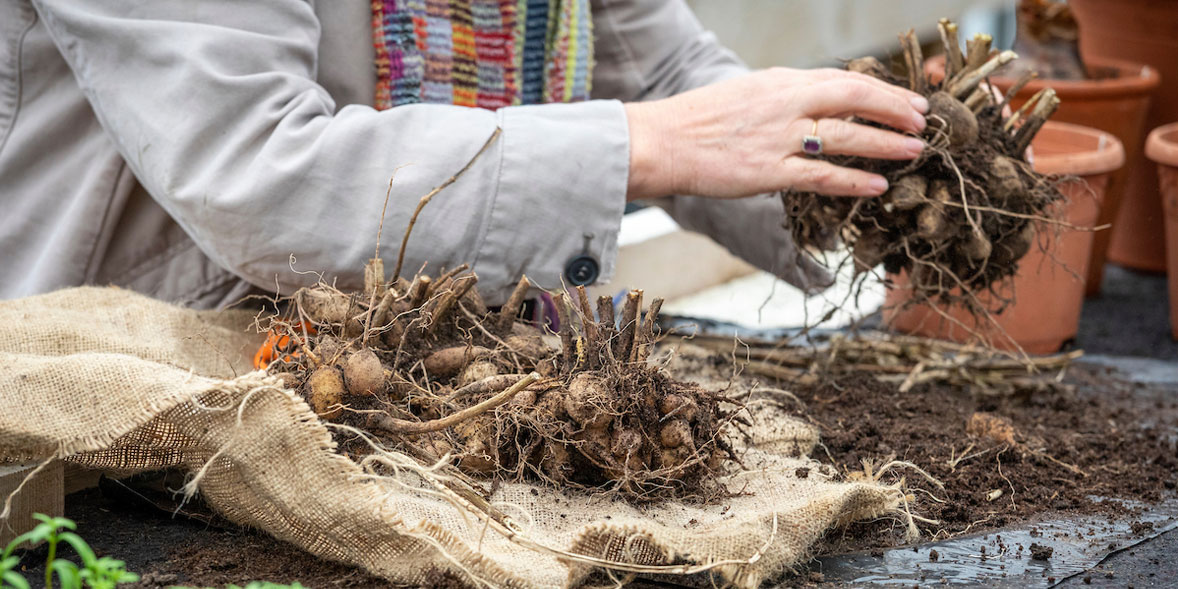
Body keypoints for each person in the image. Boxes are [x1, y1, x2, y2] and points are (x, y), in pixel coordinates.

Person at [0, 0, 928, 309]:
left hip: (427, 389)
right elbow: (265, 174)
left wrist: (878, 194)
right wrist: (645, 147)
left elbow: (665, 69)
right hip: (139, 419)